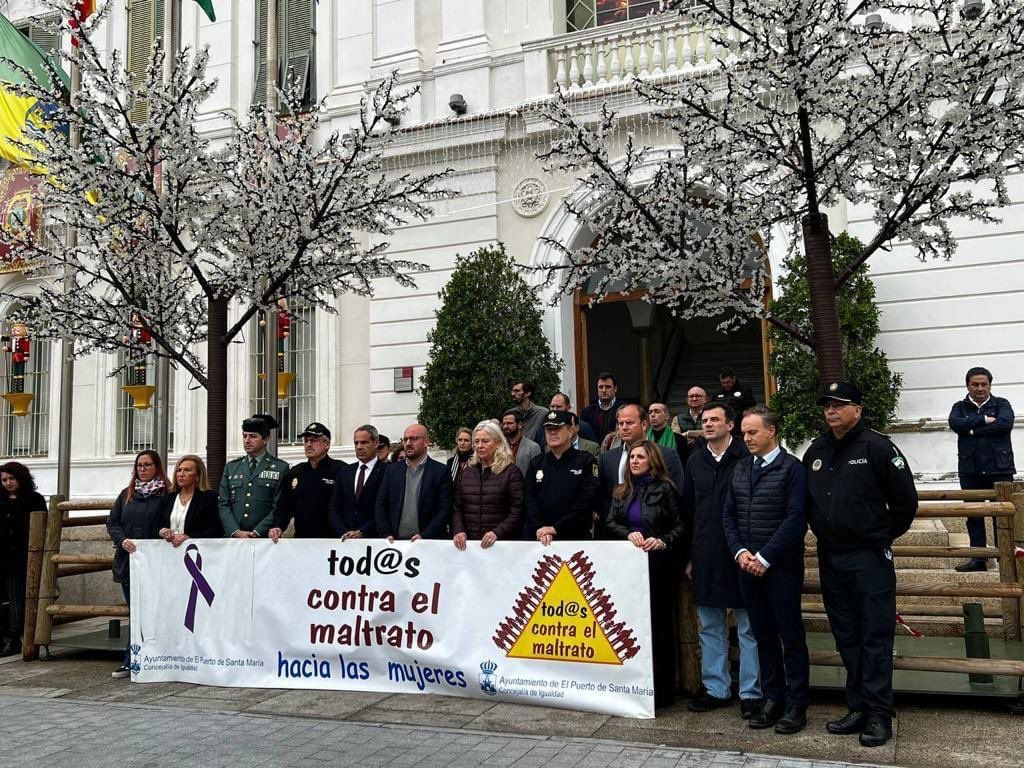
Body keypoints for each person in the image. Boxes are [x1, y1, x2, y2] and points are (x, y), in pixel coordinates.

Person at [804, 381, 917, 748]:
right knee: (847, 635)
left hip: (868, 556)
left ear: (858, 409)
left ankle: (879, 715)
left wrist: (878, 535)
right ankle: (858, 706)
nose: (831, 411)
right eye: (827, 406)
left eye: (839, 405)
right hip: (831, 556)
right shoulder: (817, 450)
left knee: (875, 636)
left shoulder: (878, 447)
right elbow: (807, 502)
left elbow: (905, 503)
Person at [723, 407, 809, 733]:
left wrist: (765, 556)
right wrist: (741, 552)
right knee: (763, 636)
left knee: (790, 635)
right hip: (747, 567)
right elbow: (728, 516)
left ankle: (797, 703)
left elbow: (795, 519)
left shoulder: (792, 470)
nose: (746, 439)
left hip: (781, 567)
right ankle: (773, 697)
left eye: (752, 432)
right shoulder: (741, 468)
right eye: (744, 433)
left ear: (771, 431)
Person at [681, 402, 762, 717]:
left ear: (731, 425)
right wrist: (688, 556)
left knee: (748, 626)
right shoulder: (695, 460)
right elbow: (688, 510)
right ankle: (716, 688)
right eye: (705, 420)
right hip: (705, 552)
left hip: (742, 551)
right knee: (710, 624)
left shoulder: (746, 457)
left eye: (716, 419)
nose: (709, 424)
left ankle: (752, 693)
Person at [605, 440, 685, 708]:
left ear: (652, 460)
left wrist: (662, 541)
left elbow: (681, 526)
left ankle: (662, 690)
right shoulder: (621, 491)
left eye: (640, 457)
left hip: (659, 567)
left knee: (659, 627)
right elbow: (610, 522)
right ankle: (634, 684)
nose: (634, 461)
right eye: (632, 457)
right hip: (629, 569)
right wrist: (628, 533)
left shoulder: (666, 489)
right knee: (630, 627)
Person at [106, 450, 168, 678]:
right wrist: (122, 541)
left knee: (154, 611)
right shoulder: (126, 494)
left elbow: (167, 521)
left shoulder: (165, 493)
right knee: (135, 611)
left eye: (148, 465)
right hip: (129, 562)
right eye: (139, 465)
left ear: (157, 467)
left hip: (155, 563)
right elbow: (112, 521)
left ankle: (156, 656)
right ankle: (130, 658)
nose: (143, 469)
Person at [947, 366, 1015, 572]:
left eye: (984, 384)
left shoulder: (1002, 404)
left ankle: (1005, 556)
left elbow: (1005, 424)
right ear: (968, 385)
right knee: (974, 514)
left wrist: (971, 429)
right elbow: (955, 423)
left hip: (999, 469)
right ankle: (978, 558)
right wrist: (984, 420)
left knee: (1002, 515)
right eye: (975, 384)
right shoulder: (959, 406)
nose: (980, 388)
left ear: (990, 385)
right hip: (970, 470)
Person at [524, 410, 599, 542]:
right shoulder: (536, 463)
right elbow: (530, 499)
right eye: (548, 429)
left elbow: (587, 500)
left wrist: (556, 528)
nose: (552, 432)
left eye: (557, 428)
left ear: (570, 432)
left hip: (575, 538)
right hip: (541, 538)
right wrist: (541, 527)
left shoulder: (586, 461)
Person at [598, 404, 684, 517]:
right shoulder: (606, 458)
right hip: (616, 529)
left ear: (644, 425)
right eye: (620, 423)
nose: (624, 427)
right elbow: (601, 493)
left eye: (629, 423)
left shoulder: (667, 455)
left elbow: (677, 493)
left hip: (655, 529)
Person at [452, 420, 523, 550]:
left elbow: (518, 510)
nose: (480, 445)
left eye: (485, 441)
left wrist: (497, 532)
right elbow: (457, 506)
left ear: (498, 443)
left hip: (501, 545)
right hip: (469, 547)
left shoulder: (511, 472)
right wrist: (459, 530)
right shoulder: (467, 471)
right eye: (477, 441)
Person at [376, 424, 453, 540]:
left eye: (413, 439)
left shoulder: (440, 472)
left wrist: (425, 536)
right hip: (395, 543)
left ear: (426, 442)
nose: (408, 443)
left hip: (428, 543)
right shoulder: (392, 470)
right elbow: (381, 505)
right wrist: (385, 533)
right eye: (405, 439)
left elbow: (444, 509)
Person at [269, 423, 345, 541]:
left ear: (327, 444)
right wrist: (278, 526)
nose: (308, 444)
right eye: (306, 441)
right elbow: (283, 506)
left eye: (314, 440)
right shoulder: (295, 472)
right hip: (302, 542)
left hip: (333, 541)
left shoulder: (340, 470)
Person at [0, 462, 46, 657]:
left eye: (12, 479)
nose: (8, 483)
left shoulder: (33, 499)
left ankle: (14, 637)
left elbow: (40, 526)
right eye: (4, 480)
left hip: (22, 557)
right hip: (2, 556)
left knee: (16, 597)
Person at [218, 414, 288, 538]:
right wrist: (235, 531)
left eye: (253, 436)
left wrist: (258, 531)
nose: (247, 440)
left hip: (265, 539)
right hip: (235, 539)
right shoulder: (232, 467)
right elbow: (224, 504)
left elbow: (280, 506)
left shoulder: (280, 468)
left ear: (265, 439)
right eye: (244, 436)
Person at [329, 424, 386, 540]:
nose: (359, 447)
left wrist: (362, 532)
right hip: (344, 540)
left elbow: (387, 508)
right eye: (356, 443)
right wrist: (343, 532)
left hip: (374, 539)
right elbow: (334, 507)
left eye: (364, 442)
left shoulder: (388, 472)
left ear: (376, 443)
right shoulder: (345, 472)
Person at [158, 455, 222, 547]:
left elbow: (215, 529)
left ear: (198, 475)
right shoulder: (168, 498)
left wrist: (189, 536)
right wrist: (162, 531)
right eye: (179, 470)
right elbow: (155, 526)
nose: (181, 474)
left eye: (187, 470)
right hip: (168, 551)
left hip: (195, 552)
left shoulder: (209, 498)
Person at [581, 372, 620, 444]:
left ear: (615, 388)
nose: (604, 390)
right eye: (601, 387)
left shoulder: (624, 409)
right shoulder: (587, 412)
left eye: (608, 387)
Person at [714, 368, 756, 436]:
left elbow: (751, 409)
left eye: (727, 382)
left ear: (734, 379)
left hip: (740, 429)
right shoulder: (718, 394)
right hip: (723, 429)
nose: (725, 385)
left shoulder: (745, 391)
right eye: (723, 383)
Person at [501, 408, 542, 477]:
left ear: (520, 425)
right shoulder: (499, 446)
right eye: (504, 424)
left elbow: (536, 473)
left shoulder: (533, 447)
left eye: (509, 423)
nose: (505, 426)